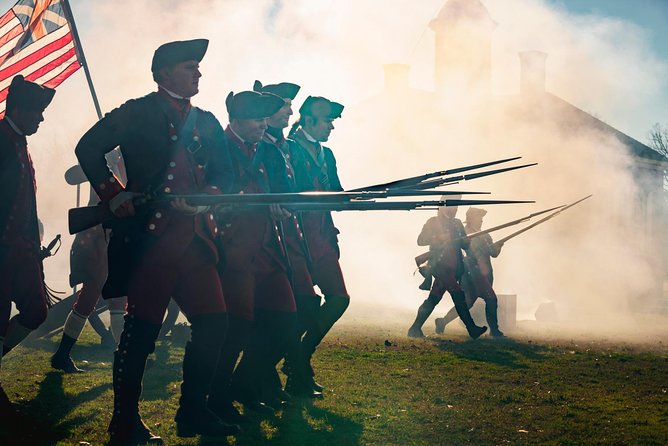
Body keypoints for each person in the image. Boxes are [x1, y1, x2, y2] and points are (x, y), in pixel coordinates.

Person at [75, 39, 239, 444]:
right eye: (189, 67)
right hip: (152, 244)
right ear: (163, 73)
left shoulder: (207, 121)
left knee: (215, 323)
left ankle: (192, 411)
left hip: (198, 243)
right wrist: (114, 193)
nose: (198, 73)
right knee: (141, 334)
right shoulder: (137, 112)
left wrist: (206, 201)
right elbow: (88, 147)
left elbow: (226, 174)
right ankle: (125, 423)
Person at [206, 90, 295, 421]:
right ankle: (216, 398)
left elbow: (286, 195)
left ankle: (243, 384)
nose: (263, 124)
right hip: (230, 252)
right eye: (258, 119)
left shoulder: (269, 152)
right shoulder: (218, 148)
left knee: (287, 324)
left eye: (264, 118)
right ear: (238, 120)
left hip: (268, 249)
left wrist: (282, 207)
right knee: (236, 330)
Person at [252, 80, 323, 400]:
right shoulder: (259, 143)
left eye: (289, 106)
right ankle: (265, 377)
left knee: (303, 307)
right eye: (283, 105)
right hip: (262, 241)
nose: (289, 111)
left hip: (289, 238)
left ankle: (281, 374)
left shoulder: (284, 145)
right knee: (284, 313)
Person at [286, 96, 350, 394]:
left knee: (338, 299)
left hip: (322, 237)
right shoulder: (288, 149)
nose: (332, 128)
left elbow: (335, 193)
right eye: (327, 122)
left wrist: (354, 198)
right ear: (309, 120)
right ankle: (297, 369)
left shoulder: (329, 155)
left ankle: (300, 356)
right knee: (305, 308)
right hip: (296, 238)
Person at [0, 75, 54, 417]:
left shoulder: (19, 142)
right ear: (18, 109)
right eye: (36, 111)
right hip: (3, 248)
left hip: (21, 249)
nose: (41, 117)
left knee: (36, 311)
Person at [407, 198, 487, 339]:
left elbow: (464, 245)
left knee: (433, 298)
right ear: (443, 207)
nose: (455, 209)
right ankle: (472, 329)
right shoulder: (433, 222)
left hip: (454, 268)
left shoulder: (457, 224)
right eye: (452, 206)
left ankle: (414, 329)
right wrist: (437, 238)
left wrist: (466, 242)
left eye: (456, 207)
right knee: (458, 294)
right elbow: (420, 240)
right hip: (440, 267)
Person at [435, 207, 505, 337]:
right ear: (471, 218)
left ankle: (442, 322)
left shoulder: (485, 234)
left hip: (485, 273)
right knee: (491, 299)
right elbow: (469, 251)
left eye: (482, 218)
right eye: (479, 218)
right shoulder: (465, 233)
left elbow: (493, 253)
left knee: (467, 303)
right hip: (474, 274)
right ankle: (494, 331)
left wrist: (499, 246)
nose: (481, 221)